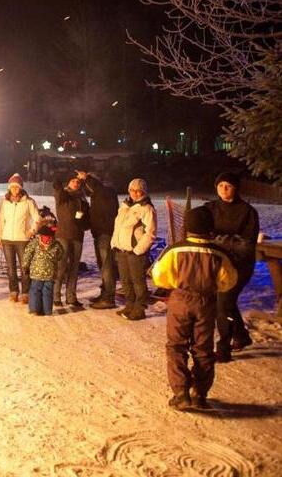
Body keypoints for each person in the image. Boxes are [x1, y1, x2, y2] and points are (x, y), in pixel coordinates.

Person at [151, 207, 237, 411]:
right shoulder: (219, 253)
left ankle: (181, 393)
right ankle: (200, 393)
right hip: (206, 303)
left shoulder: (175, 250)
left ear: (188, 227)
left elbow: (159, 276)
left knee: (176, 346)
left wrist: (176, 283)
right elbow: (229, 281)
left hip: (181, 300)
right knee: (203, 349)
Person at [204, 172, 260, 363]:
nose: (224, 190)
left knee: (223, 304)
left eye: (228, 186)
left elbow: (246, 244)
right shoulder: (210, 208)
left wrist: (218, 240)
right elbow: (201, 232)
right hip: (217, 264)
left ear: (236, 188)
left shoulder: (248, 212)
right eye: (220, 186)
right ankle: (241, 335)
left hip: (239, 266)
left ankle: (223, 347)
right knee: (226, 303)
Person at [110, 178, 157, 321]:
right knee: (125, 280)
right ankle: (130, 305)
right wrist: (114, 243)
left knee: (138, 281)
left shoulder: (147, 208)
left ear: (143, 191)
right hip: (121, 250)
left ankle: (140, 308)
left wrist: (138, 250)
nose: (135, 193)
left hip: (135, 252)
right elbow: (118, 227)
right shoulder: (124, 206)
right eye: (132, 190)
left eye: (138, 190)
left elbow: (151, 233)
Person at [0, 173, 41, 303]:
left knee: (24, 267)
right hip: (7, 239)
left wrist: (32, 231)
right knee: (11, 268)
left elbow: (37, 218)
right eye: (12, 187)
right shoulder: (5, 202)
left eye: (17, 187)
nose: (14, 189)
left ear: (21, 188)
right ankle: (13, 291)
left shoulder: (28, 202)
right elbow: (0, 221)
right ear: (9, 188)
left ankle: (26, 292)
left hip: (22, 240)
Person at [77, 171, 119, 310]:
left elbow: (97, 186)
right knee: (103, 266)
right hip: (100, 233)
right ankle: (105, 293)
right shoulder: (98, 195)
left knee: (107, 266)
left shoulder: (106, 191)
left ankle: (109, 298)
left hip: (106, 233)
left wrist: (86, 177)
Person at [52, 171, 90, 308]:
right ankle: (56, 296)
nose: (76, 183)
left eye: (78, 182)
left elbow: (87, 218)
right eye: (73, 181)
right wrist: (63, 170)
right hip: (63, 235)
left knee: (74, 268)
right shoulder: (63, 196)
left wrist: (83, 224)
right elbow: (56, 185)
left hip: (77, 236)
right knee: (61, 267)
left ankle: (71, 297)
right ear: (68, 183)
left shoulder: (82, 199)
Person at [22, 224, 64, 316]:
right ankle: (47, 311)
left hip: (38, 273)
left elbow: (27, 254)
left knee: (35, 291)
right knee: (47, 292)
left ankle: (34, 309)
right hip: (49, 273)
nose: (46, 239)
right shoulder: (56, 244)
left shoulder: (34, 243)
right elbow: (61, 255)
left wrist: (25, 266)